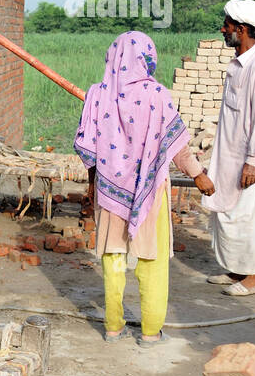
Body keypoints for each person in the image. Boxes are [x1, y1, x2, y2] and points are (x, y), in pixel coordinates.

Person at [74, 32, 214, 347]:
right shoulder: (158, 95)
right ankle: (150, 332)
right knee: (151, 259)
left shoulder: (98, 94)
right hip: (149, 191)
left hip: (110, 190)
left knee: (113, 258)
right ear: (146, 58)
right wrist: (198, 175)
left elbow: (89, 150)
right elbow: (177, 147)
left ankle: (112, 328)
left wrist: (92, 187)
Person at [202, 0, 255, 296]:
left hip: (248, 161)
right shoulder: (239, 64)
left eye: (227, 25)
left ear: (242, 29)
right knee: (228, 215)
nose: (223, 29)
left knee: (246, 219)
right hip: (230, 158)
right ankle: (238, 271)